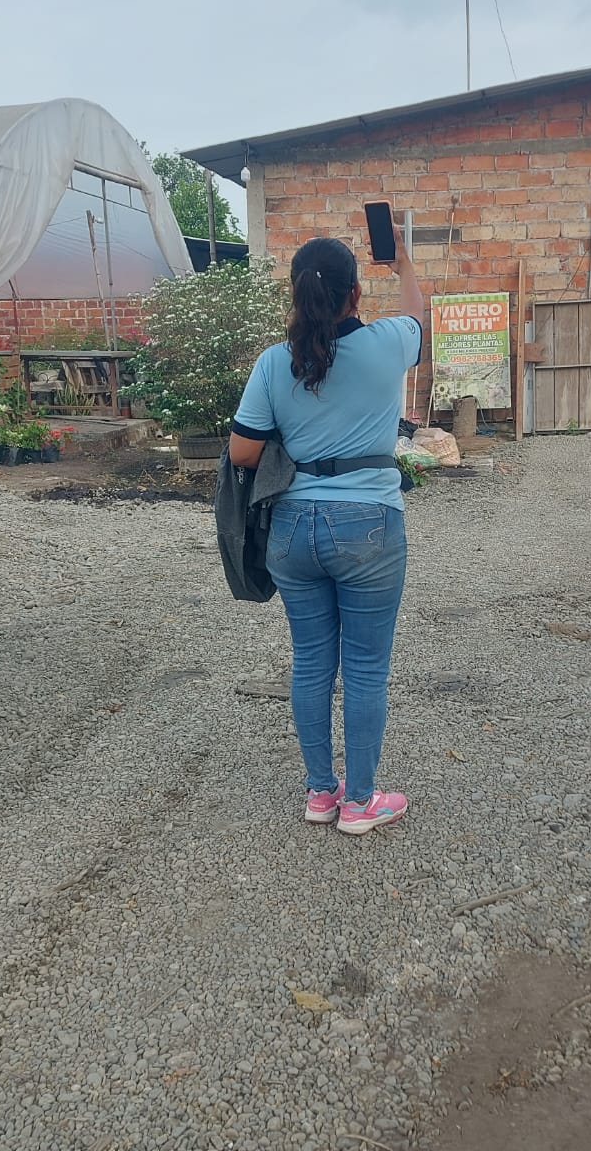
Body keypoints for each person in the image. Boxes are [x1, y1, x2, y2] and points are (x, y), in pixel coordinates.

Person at [228, 230, 424, 835]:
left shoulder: (272, 363)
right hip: (369, 525)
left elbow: (241, 453)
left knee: (311, 660)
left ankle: (320, 792)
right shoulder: (388, 342)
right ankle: (360, 802)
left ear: (294, 294)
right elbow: (421, 317)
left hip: (292, 529)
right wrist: (403, 264)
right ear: (355, 294)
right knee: (365, 668)